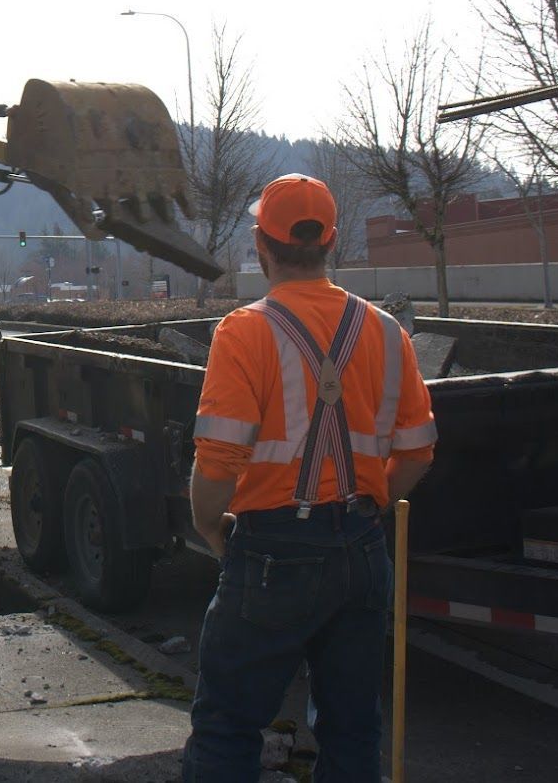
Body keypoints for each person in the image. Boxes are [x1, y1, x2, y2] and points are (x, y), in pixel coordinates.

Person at [182, 173, 437, 782]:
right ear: (332, 241)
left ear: (260, 245)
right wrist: (373, 508)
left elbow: (219, 458)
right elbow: (420, 450)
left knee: (227, 727)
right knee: (352, 730)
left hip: (273, 552)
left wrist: (209, 526)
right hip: (362, 552)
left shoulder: (244, 331)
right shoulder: (385, 331)